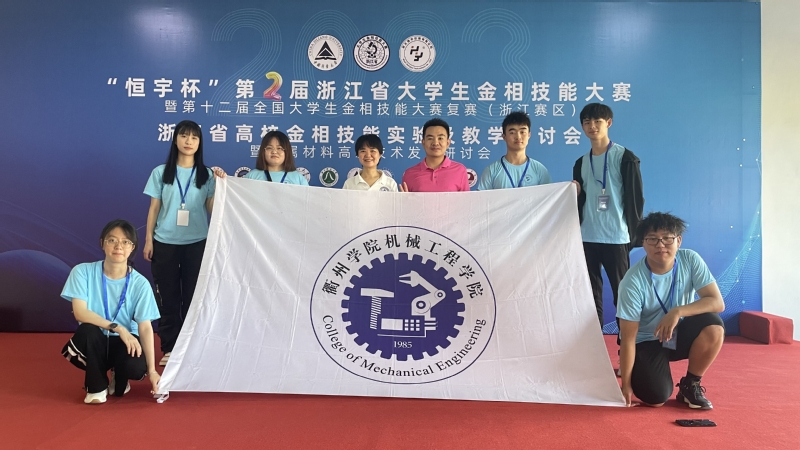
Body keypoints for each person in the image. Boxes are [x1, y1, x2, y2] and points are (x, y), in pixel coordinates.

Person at [617, 212, 724, 409]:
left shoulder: (690, 259)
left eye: (667, 238)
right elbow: (628, 339)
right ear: (643, 243)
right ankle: (641, 366)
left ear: (678, 241)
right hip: (646, 340)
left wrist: (677, 312)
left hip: (678, 332)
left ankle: (690, 385)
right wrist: (626, 385)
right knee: (655, 398)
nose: (660, 245)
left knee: (713, 325)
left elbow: (716, 302)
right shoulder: (632, 282)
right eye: (652, 239)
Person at [61, 220, 161, 404]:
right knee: (87, 330)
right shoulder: (82, 272)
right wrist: (118, 328)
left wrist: (153, 370)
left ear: (132, 247)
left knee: (134, 368)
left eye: (125, 242)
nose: (118, 246)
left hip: (125, 342)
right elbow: (80, 313)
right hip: (95, 340)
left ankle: (119, 375)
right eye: (112, 240)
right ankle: (96, 387)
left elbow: (145, 327)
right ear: (102, 243)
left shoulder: (140, 284)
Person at [143, 120, 216, 366]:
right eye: (184, 136)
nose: (188, 141)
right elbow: (154, 209)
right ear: (175, 140)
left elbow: (212, 208)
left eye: (194, 137)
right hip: (164, 243)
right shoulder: (160, 172)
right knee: (169, 297)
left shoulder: (207, 175)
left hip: (197, 243)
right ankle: (170, 347)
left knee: (194, 297)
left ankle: (190, 348)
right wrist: (149, 240)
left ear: (199, 143)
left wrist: (221, 184)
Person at [572, 103, 644, 329]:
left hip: (616, 236)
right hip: (587, 236)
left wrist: (634, 235)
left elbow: (635, 199)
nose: (592, 126)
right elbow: (579, 201)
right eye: (587, 122)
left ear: (608, 123)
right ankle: (594, 341)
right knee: (589, 295)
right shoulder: (581, 162)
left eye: (597, 121)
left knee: (622, 292)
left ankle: (627, 343)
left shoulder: (625, 157)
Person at [477, 111, 551, 190]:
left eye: (522, 132)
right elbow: (481, 197)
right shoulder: (491, 171)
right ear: (504, 137)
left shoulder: (540, 170)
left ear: (529, 135)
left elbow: (549, 196)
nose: (518, 137)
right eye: (512, 132)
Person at [401, 118, 469, 192]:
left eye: (440, 138)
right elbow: (406, 199)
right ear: (423, 143)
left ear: (448, 143)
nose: (435, 143)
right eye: (430, 138)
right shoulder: (409, 174)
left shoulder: (460, 171)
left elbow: (466, 199)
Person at [242, 130, 309, 185]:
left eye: (279, 148)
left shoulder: (298, 179)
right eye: (269, 148)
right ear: (263, 151)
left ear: (287, 152)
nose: (274, 152)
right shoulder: (251, 177)